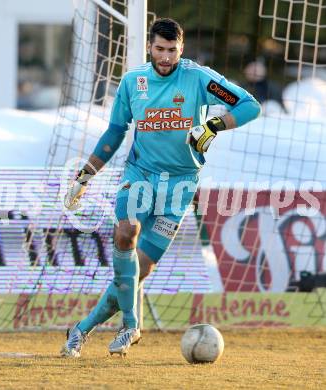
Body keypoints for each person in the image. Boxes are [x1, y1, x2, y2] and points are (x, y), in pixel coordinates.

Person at [61, 18, 261, 357]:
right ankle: (131, 323)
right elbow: (114, 133)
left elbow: (249, 106)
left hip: (181, 184)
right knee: (126, 233)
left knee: (142, 267)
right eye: (159, 49)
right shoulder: (133, 82)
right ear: (150, 48)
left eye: (172, 50)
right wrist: (84, 176)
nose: (165, 57)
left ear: (181, 49)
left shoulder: (199, 78)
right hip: (140, 173)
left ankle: (82, 329)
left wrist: (213, 125)